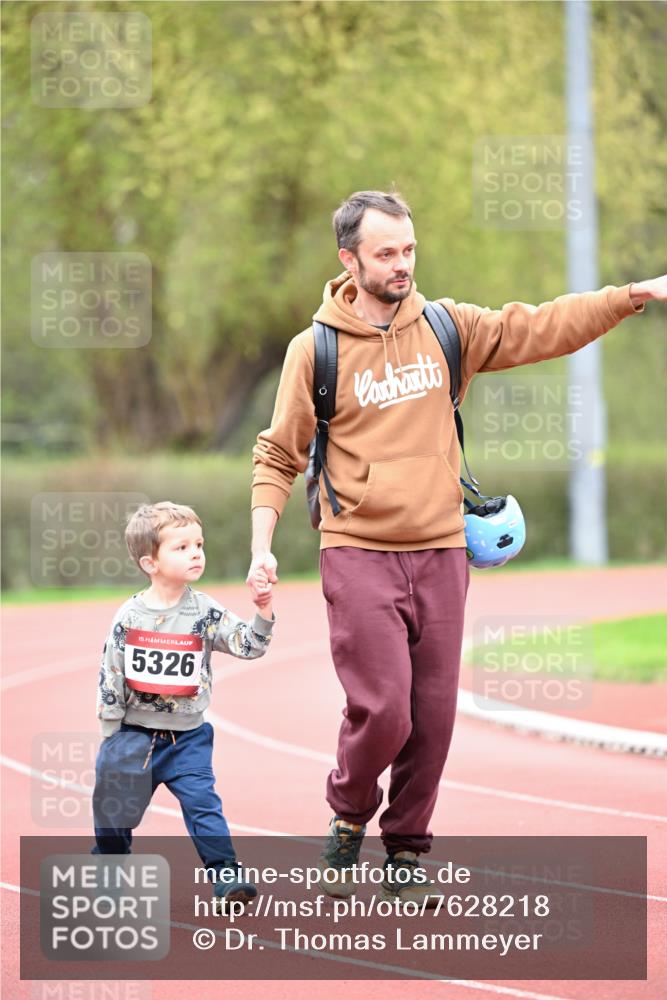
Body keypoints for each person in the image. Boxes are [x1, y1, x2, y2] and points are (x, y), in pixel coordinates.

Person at [246, 189, 665, 903]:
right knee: (385, 710)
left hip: (441, 551)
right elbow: (276, 455)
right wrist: (261, 546)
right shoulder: (312, 349)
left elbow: (541, 326)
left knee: (433, 718)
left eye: (408, 249)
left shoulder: (447, 328)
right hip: (358, 552)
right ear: (348, 259)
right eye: (385, 253)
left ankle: (406, 852)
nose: (402, 264)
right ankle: (348, 814)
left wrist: (630, 295)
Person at [94, 501, 275, 913]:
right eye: (181, 547)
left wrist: (263, 610)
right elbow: (111, 674)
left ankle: (226, 873)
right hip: (132, 736)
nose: (196, 552)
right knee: (115, 814)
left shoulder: (205, 611)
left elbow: (249, 646)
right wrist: (110, 735)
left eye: (199, 544)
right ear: (150, 562)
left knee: (202, 803)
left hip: (188, 738)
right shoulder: (129, 616)